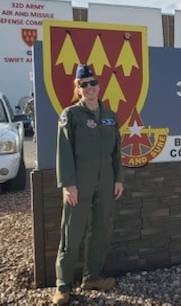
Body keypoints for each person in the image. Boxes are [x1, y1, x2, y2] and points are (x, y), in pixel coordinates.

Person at [52, 64, 124, 305]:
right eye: (84, 84)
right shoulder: (70, 115)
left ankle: (92, 277)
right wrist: (68, 184)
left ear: (99, 85)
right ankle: (63, 286)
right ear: (78, 88)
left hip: (105, 180)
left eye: (93, 83)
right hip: (79, 180)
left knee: (101, 229)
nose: (90, 87)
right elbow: (63, 151)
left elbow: (116, 152)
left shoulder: (110, 116)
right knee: (71, 232)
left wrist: (118, 178)